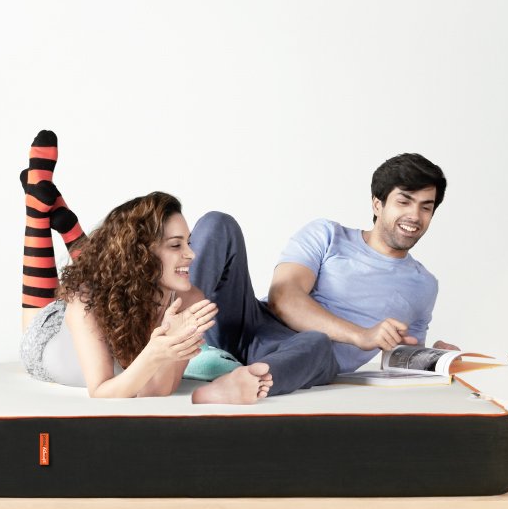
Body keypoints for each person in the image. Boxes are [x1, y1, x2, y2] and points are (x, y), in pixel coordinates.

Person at [18, 131, 272, 403]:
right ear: (142, 254)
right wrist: (156, 351)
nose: (191, 254)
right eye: (176, 245)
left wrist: (170, 344)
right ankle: (36, 211)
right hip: (47, 340)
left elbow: (159, 390)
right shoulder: (84, 303)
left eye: (187, 243)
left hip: (107, 290)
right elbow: (102, 392)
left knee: (97, 270)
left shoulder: (191, 302)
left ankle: (68, 227)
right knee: (77, 284)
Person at [187, 152, 449, 389]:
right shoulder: (327, 234)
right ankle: (177, 334)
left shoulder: (424, 285)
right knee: (218, 223)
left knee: (317, 342)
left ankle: (242, 383)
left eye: (426, 207)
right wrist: (361, 335)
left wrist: (439, 358)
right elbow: (283, 298)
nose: (415, 216)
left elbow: (400, 357)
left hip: (304, 357)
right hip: (253, 323)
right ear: (377, 204)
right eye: (404, 202)